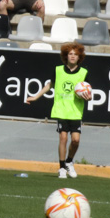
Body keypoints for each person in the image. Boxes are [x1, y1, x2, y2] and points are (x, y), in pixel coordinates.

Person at [26, 42, 89, 178]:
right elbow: (50, 84)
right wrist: (36, 96)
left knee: (76, 140)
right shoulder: (58, 70)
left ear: (79, 57)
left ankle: (69, 161)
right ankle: (61, 168)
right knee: (63, 137)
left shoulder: (84, 73)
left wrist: (88, 97)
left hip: (75, 111)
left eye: (75, 54)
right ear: (66, 56)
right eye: (70, 54)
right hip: (61, 110)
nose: (72, 56)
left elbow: (88, 91)